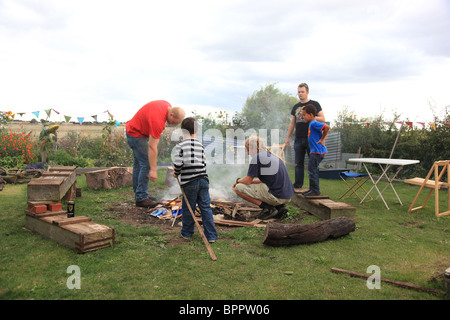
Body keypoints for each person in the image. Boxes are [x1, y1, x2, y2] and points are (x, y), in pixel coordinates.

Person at [126, 100, 185, 208]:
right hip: (136, 135)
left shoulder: (166, 105)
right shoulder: (158, 121)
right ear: (171, 114)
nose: (173, 124)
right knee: (146, 164)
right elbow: (152, 147)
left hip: (133, 131)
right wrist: (153, 169)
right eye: (174, 122)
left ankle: (140, 194)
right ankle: (141, 198)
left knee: (139, 165)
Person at [172, 117, 218, 243]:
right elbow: (203, 163)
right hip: (203, 180)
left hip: (189, 182)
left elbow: (178, 164)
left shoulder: (180, 146)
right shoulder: (201, 145)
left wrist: (176, 173)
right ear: (197, 131)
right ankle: (211, 235)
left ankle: (187, 233)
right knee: (205, 207)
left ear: (182, 131)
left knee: (188, 208)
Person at [232, 136, 293, 220]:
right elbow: (263, 180)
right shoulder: (271, 156)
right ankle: (280, 207)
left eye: (248, 150)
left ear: (253, 148)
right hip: (287, 196)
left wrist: (238, 181)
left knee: (238, 188)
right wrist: (251, 182)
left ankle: (268, 209)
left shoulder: (257, 157)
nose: (248, 153)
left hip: (276, 197)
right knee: (262, 184)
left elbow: (248, 181)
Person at [285, 83, 325, 191]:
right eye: (298, 92)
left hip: (311, 138)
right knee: (298, 163)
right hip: (298, 138)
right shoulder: (296, 107)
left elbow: (323, 118)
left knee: (312, 165)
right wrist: (288, 137)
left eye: (302, 91)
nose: (300, 94)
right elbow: (292, 124)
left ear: (307, 92)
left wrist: (312, 117)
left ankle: (314, 189)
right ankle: (297, 185)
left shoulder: (314, 104)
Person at [301, 104, 330, 196]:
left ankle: (315, 191)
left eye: (304, 115)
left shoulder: (313, 123)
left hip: (316, 151)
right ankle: (312, 189)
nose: (303, 117)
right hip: (315, 151)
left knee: (312, 170)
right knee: (312, 170)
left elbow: (327, 127)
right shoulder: (311, 124)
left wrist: (322, 139)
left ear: (311, 115)